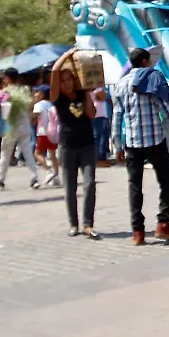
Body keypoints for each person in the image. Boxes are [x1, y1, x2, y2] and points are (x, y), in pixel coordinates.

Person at [112, 47, 169, 245]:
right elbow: (166, 109)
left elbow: (117, 117)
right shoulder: (151, 78)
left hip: (132, 142)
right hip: (155, 139)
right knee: (166, 180)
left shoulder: (120, 85)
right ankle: (163, 223)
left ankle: (138, 232)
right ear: (144, 61)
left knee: (135, 186)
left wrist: (117, 145)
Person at [50, 50, 102, 238]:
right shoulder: (57, 98)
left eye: (70, 79)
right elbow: (55, 71)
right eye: (63, 81)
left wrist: (87, 92)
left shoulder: (81, 94)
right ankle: (73, 224)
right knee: (70, 187)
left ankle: (88, 224)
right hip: (68, 146)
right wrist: (68, 54)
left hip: (87, 144)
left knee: (89, 184)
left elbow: (91, 114)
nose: (67, 83)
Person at [0, 68, 40, 191]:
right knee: (28, 152)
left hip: (10, 126)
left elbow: (0, 109)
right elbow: (31, 105)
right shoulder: (24, 90)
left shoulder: (5, 92)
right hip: (24, 124)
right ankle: (34, 177)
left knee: (5, 154)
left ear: (7, 78)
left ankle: (0, 179)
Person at [33, 86, 61, 187]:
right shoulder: (52, 104)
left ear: (41, 94)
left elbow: (35, 117)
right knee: (52, 154)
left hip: (42, 132)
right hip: (53, 132)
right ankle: (56, 176)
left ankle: (49, 170)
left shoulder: (38, 105)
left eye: (37, 92)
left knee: (38, 153)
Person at [92, 84, 113, 165]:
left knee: (104, 137)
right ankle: (97, 160)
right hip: (96, 115)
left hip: (102, 114)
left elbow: (106, 97)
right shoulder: (92, 87)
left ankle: (102, 158)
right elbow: (103, 96)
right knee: (97, 138)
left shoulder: (100, 86)